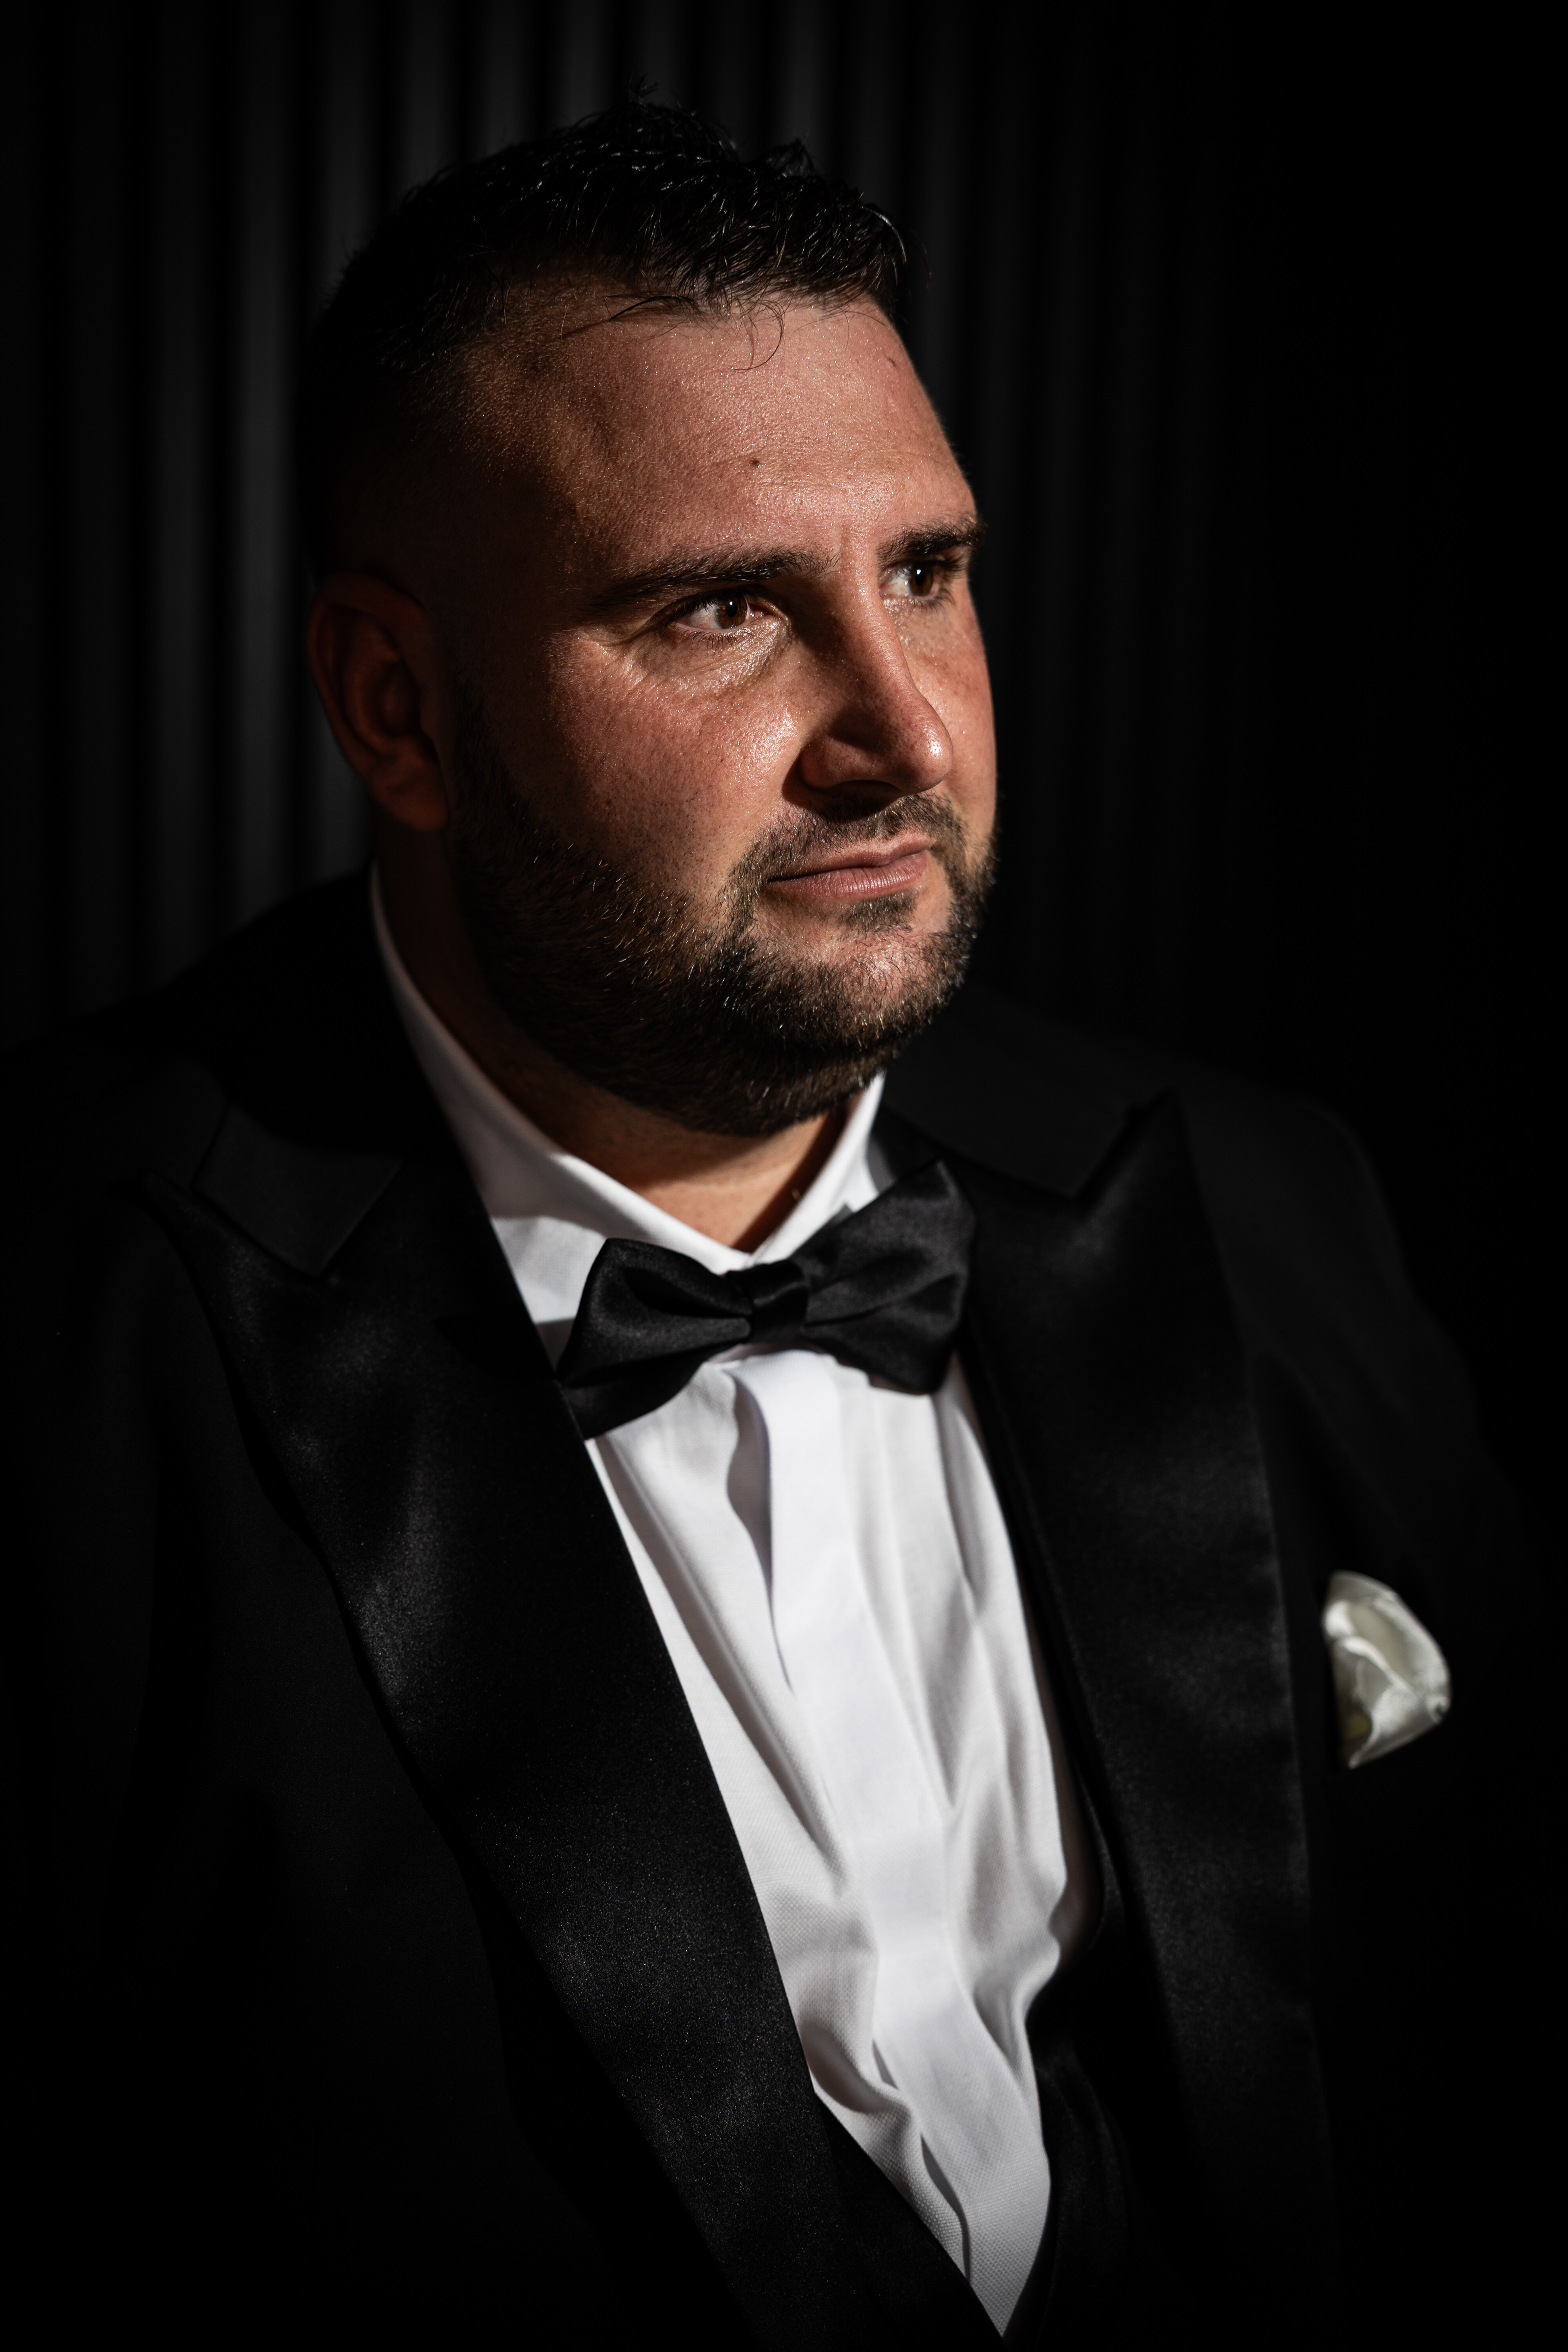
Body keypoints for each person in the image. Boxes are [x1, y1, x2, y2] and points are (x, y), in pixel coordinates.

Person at [3, 102, 1542, 2347]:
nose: (902, 732)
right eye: (721, 610)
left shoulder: (1263, 1197)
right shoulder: (43, 1341)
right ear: (397, 706)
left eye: (927, 571)